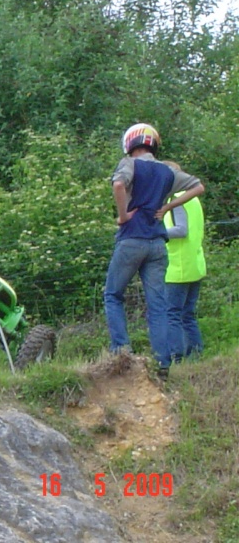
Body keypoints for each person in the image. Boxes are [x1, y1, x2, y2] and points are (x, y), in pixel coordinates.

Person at [104, 124, 205, 380]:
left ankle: (121, 352)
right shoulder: (168, 171)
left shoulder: (129, 164)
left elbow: (118, 186)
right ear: (153, 144)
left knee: (113, 295)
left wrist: (123, 215)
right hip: (157, 243)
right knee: (158, 305)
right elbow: (198, 187)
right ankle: (163, 362)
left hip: (131, 240)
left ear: (130, 144)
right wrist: (170, 205)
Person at [162, 161, 206, 361]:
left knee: (172, 314)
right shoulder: (193, 198)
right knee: (187, 315)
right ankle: (195, 354)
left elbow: (181, 230)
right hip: (195, 265)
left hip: (178, 267)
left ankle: (176, 357)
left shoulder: (175, 199)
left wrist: (157, 232)